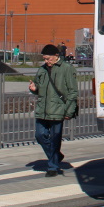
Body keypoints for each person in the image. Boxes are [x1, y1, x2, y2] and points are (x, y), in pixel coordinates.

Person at [29, 43, 77, 177]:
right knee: (40, 135)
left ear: (56, 56)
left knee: (55, 139)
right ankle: (56, 156)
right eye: (44, 59)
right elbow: (38, 85)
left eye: (48, 59)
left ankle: (53, 167)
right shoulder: (42, 70)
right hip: (42, 109)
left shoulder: (67, 69)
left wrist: (69, 111)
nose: (46, 61)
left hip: (58, 109)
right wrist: (34, 89)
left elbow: (73, 92)